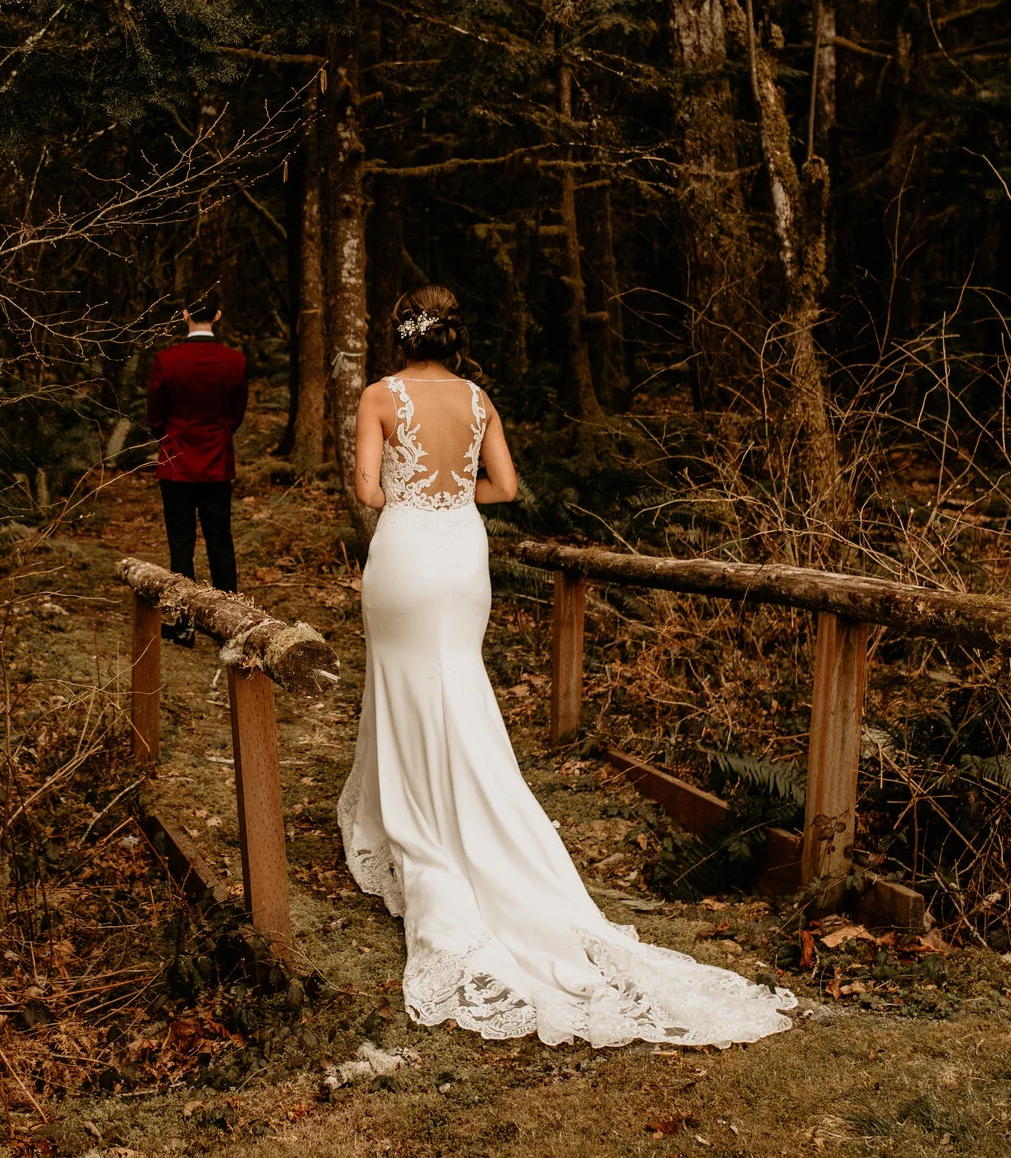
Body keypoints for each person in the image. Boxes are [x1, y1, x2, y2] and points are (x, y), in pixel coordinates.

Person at [336, 286, 797, 1049]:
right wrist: (454, 496)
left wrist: (409, 494)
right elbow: (507, 488)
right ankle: (476, 822)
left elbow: (366, 488)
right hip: (463, 551)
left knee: (407, 686)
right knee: (461, 684)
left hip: (408, 552)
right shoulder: (479, 397)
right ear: (452, 338)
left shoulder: (380, 397)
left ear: (400, 335)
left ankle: (423, 832)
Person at [145, 295, 248, 616]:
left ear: (185, 314)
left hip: (176, 462)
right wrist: (218, 434)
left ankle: (182, 617)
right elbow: (237, 413)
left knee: (180, 541)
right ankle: (230, 615)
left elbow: (155, 415)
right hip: (217, 462)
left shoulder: (167, 360)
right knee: (220, 539)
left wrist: (171, 436)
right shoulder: (235, 361)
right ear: (217, 314)